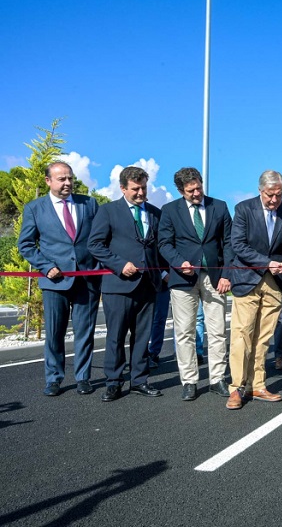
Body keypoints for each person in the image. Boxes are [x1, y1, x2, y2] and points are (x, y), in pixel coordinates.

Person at [17, 161, 101, 396]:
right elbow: (25, 244)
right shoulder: (35, 208)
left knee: (85, 331)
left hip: (87, 279)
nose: (67, 183)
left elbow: (100, 237)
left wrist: (100, 266)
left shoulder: (89, 204)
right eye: (62, 179)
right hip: (54, 281)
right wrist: (45, 266)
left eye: (70, 178)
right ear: (48, 181)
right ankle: (54, 378)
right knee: (55, 332)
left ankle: (84, 377)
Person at [88, 166, 165, 402]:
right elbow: (95, 245)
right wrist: (120, 265)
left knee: (142, 337)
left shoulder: (154, 212)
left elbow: (159, 247)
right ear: (123, 188)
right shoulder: (108, 211)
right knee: (116, 336)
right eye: (135, 189)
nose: (141, 192)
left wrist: (162, 273)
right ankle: (114, 381)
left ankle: (140, 380)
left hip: (148, 286)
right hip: (118, 285)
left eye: (143, 187)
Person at [226, 170, 282, 409]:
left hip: (275, 282)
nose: (274, 200)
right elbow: (237, 245)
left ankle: (257, 384)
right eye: (270, 195)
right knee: (242, 335)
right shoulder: (243, 209)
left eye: (278, 195)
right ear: (260, 191)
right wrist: (266, 262)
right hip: (247, 279)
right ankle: (237, 387)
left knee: (263, 337)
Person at [157, 167, 234, 401]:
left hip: (215, 278)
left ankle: (217, 379)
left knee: (218, 331)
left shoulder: (219, 206)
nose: (197, 193)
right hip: (183, 280)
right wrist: (180, 263)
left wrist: (227, 274)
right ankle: (189, 380)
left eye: (199, 187)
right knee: (185, 332)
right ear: (181, 191)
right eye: (191, 190)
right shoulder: (169, 211)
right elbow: (164, 244)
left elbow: (229, 243)